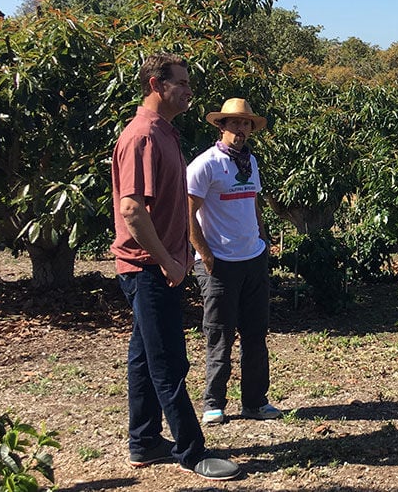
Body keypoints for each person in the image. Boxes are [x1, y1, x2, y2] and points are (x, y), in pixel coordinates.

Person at [110, 53, 240, 481]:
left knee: (145, 358)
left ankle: (144, 439)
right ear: (154, 84)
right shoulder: (142, 136)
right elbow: (131, 208)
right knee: (168, 360)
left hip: (159, 265)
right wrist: (166, 259)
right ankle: (191, 450)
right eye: (181, 83)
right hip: (148, 267)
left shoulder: (165, 133)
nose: (188, 90)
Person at [187, 98, 281, 425]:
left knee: (256, 334)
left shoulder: (250, 162)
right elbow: (188, 214)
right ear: (221, 126)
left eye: (246, 124)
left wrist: (262, 239)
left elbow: (252, 202)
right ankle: (214, 402)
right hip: (220, 264)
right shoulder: (206, 165)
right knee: (219, 334)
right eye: (234, 123)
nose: (240, 130)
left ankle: (255, 402)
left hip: (252, 258)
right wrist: (206, 256)